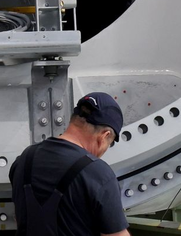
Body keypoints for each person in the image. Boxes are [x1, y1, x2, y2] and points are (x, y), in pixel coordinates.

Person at [9, 93, 130, 236]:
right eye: (108, 144)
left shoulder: (23, 160)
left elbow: (20, 217)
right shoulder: (99, 174)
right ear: (104, 136)